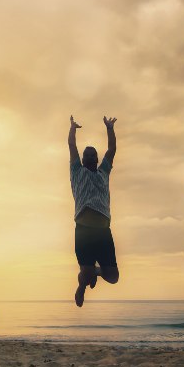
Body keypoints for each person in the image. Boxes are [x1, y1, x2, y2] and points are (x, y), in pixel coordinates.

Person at [68, 115, 120, 307]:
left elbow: (112, 149)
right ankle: (82, 285)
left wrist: (109, 128)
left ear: (97, 159)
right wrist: (72, 129)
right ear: (82, 159)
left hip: (103, 231)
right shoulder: (76, 172)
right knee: (86, 272)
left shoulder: (104, 172)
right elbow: (72, 147)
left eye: (93, 155)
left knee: (113, 277)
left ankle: (95, 272)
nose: (90, 157)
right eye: (86, 155)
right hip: (83, 230)